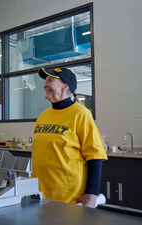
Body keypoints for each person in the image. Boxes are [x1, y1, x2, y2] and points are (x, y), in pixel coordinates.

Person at [31, 67, 107, 208]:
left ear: (65, 86)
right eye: (45, 80)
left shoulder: (81, 114)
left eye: (50, 80)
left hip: (69, 199)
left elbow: (95, 156)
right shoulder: (43, 116)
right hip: (40, 195)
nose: (45, 84)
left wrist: (92, 194)